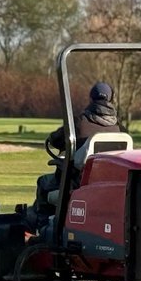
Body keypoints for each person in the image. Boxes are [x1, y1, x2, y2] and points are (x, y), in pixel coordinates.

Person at [29, 82, 125, 227]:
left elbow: (55, 141)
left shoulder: (78, 123)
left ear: (91, 98)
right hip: (110, 187)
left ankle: (43, 228)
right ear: (112, 99)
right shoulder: (120, 129)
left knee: (44, 182)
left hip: (78, 185)